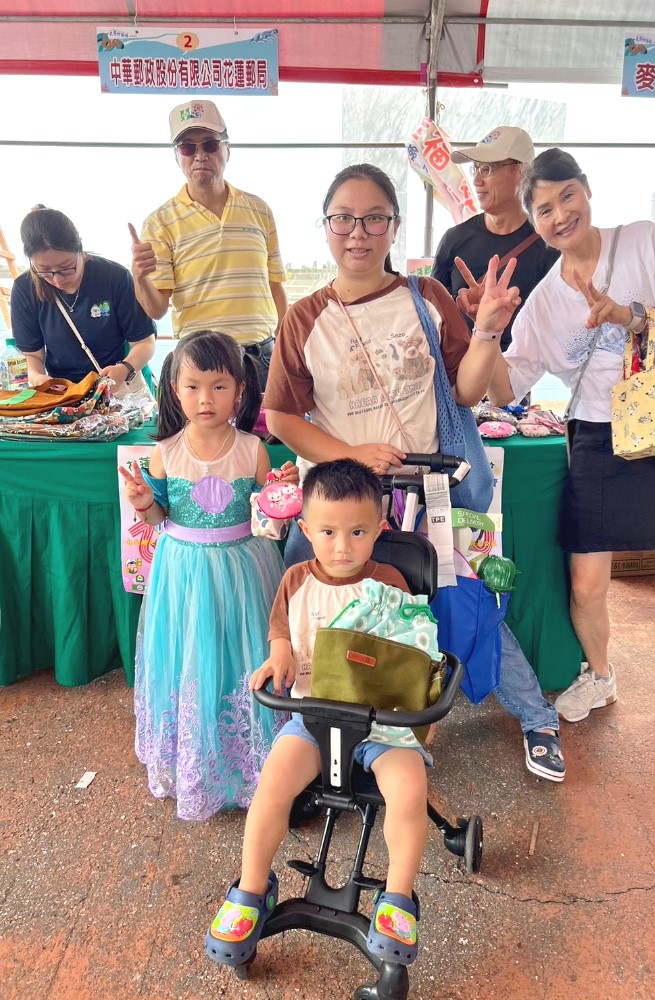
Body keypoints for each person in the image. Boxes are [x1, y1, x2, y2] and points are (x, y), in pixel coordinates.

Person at [261, 163, 565, 782]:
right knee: (319, 604)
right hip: (343, 503)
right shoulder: (303, 318)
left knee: (463, 602)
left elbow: (465, 390)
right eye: (343, 217)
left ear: (394, 226)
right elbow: (280, 417)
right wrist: (350, 453)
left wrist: (485, 333)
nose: (358, 231)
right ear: (325, 227)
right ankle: (318, 738)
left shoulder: (425, 297)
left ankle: (537, 718)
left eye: (374, 217)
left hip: (435, 494)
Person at [206, 459, 427, 968]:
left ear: (380, 529)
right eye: (327, 532)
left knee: (409, 790)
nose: (342, 546)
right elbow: (282, 631)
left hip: (382, 722)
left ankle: (397, 896)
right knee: (272, 786)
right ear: (305, 530)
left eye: (357, 532)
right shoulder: (295, 580)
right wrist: (279, 650)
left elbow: (414, 650)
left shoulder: (392, 583)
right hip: (312, 717)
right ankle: (253, 887)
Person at [486, 148, 655, 723]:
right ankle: (602, 675)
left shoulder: (642, 240)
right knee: (587, 582)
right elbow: (504, 387)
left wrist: (630, 317)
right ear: (534, 223)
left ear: (586, 190)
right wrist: (484, 332)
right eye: (543, 209)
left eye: (567, 196)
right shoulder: (541, 301)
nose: (560, 214)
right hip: (594, 432)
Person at [119, 330, 296, 820]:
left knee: (242, 653)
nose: (205, 399)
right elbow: (158, 519)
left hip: (245, 568)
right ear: (174, 388)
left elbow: (271, 518)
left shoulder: (254, 449)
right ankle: (200, 764)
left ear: (240, 389)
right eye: (192, 386)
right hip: (183, 571)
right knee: (192, 656)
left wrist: (281, 494)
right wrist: (145, 502)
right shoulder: (165, 452)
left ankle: (257, 765)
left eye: (218, 386)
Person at [129, 99, 287, 388]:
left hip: (262, 359)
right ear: (177, 157)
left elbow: (276, 286)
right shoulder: (159, 222)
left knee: (265, 434)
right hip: (201, 363)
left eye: (210, 144)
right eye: (188, 148)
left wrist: (285, 351)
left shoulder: (260, 209)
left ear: (228, 149)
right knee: (203, 436)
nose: (199, 155)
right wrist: (139, 277)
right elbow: (156, 309)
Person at [432, 126, 558, 351]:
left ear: (522, 172)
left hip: (514, 377)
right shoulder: (454, 240)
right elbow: (431, 314)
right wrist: (460, 308)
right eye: (476, 169)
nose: (477, 180)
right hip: (456, 373)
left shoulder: (548, 247)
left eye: (487, 169)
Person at [11, 207, 156, 390]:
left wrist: (124, 368)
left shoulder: (114, 277)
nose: (57, 279)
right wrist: (41, 380)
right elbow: (33, 357)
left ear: (80, 248)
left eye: (66, 267)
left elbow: (145, 342)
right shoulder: (25, 289)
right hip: (65, 393)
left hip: (117, 386)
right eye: (45, 271)